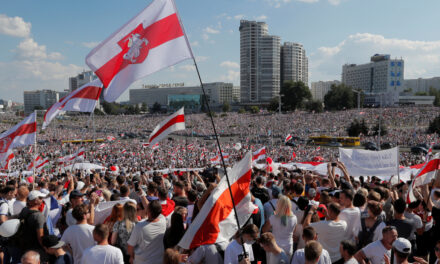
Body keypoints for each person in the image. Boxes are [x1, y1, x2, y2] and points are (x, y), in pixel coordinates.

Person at [127, 200, 167, 264]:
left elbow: (130, 246)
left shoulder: (139, 226)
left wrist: (132, 257)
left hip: (142, 261)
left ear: (148, 211)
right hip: (159, 260)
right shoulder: (163, 220)